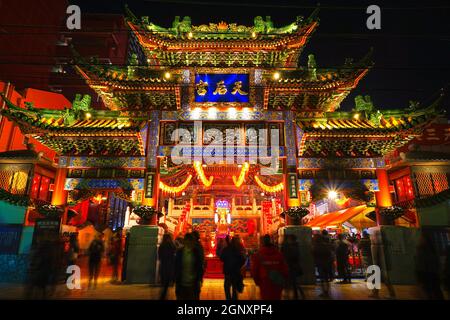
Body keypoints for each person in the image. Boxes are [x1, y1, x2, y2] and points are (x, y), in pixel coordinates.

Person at [251, 234, 288, 300]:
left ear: (262, 243)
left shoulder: (258, 255)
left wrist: (258, 282)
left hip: (264, 282)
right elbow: (285, 270)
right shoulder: (279, 255)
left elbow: (254, 271)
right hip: (277, 282)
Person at [174, 233, 204, 300]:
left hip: (193, 284)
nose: (189, 243)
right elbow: (176, 266)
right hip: (181, 284)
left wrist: (199, 279)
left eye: (191, 241)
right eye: (188, 241)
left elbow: (199, 266)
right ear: (185, 241)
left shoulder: (196, 252)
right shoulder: (180, 252)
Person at [415, 231, 444, 300]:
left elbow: (420, 265)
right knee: (436, 293)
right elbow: (437, 264)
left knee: (428, 294)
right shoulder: (433, 250)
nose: (419, 239)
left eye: (421, 238)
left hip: (427, 277)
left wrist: (419, 280)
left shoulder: (422, 250)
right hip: (434, 277)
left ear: (425, 239)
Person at [281, 234, 305, 299]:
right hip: (294, 265)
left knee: (292, 281)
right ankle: (297, 294)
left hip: (291, 265)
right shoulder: (295, 245)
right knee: (293, 281)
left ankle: (295, 294)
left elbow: (289, 256)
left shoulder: (291, 246)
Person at [312, 233, 334, 298]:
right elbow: (329, 253)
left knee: (322, 278)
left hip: (320, 264)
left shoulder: (315, 246)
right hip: (326, 263)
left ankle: (324, 291)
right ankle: (326, 291)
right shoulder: (325, 245)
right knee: (326, 278)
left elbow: (313, 254)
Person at [158, 233, 176, 300]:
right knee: (167, 279)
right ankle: (164, 293)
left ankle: (163, 293)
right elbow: (174, 253)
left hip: (163, 264)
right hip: (169, 264)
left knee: (164, 279)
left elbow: (159, 256)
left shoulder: (162, 245)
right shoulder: (171, 245)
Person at [191, 230, 206, 299]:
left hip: (195, 272)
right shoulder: (199, 246)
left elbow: (201, 260)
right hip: (196, 272)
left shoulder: (197, 246)